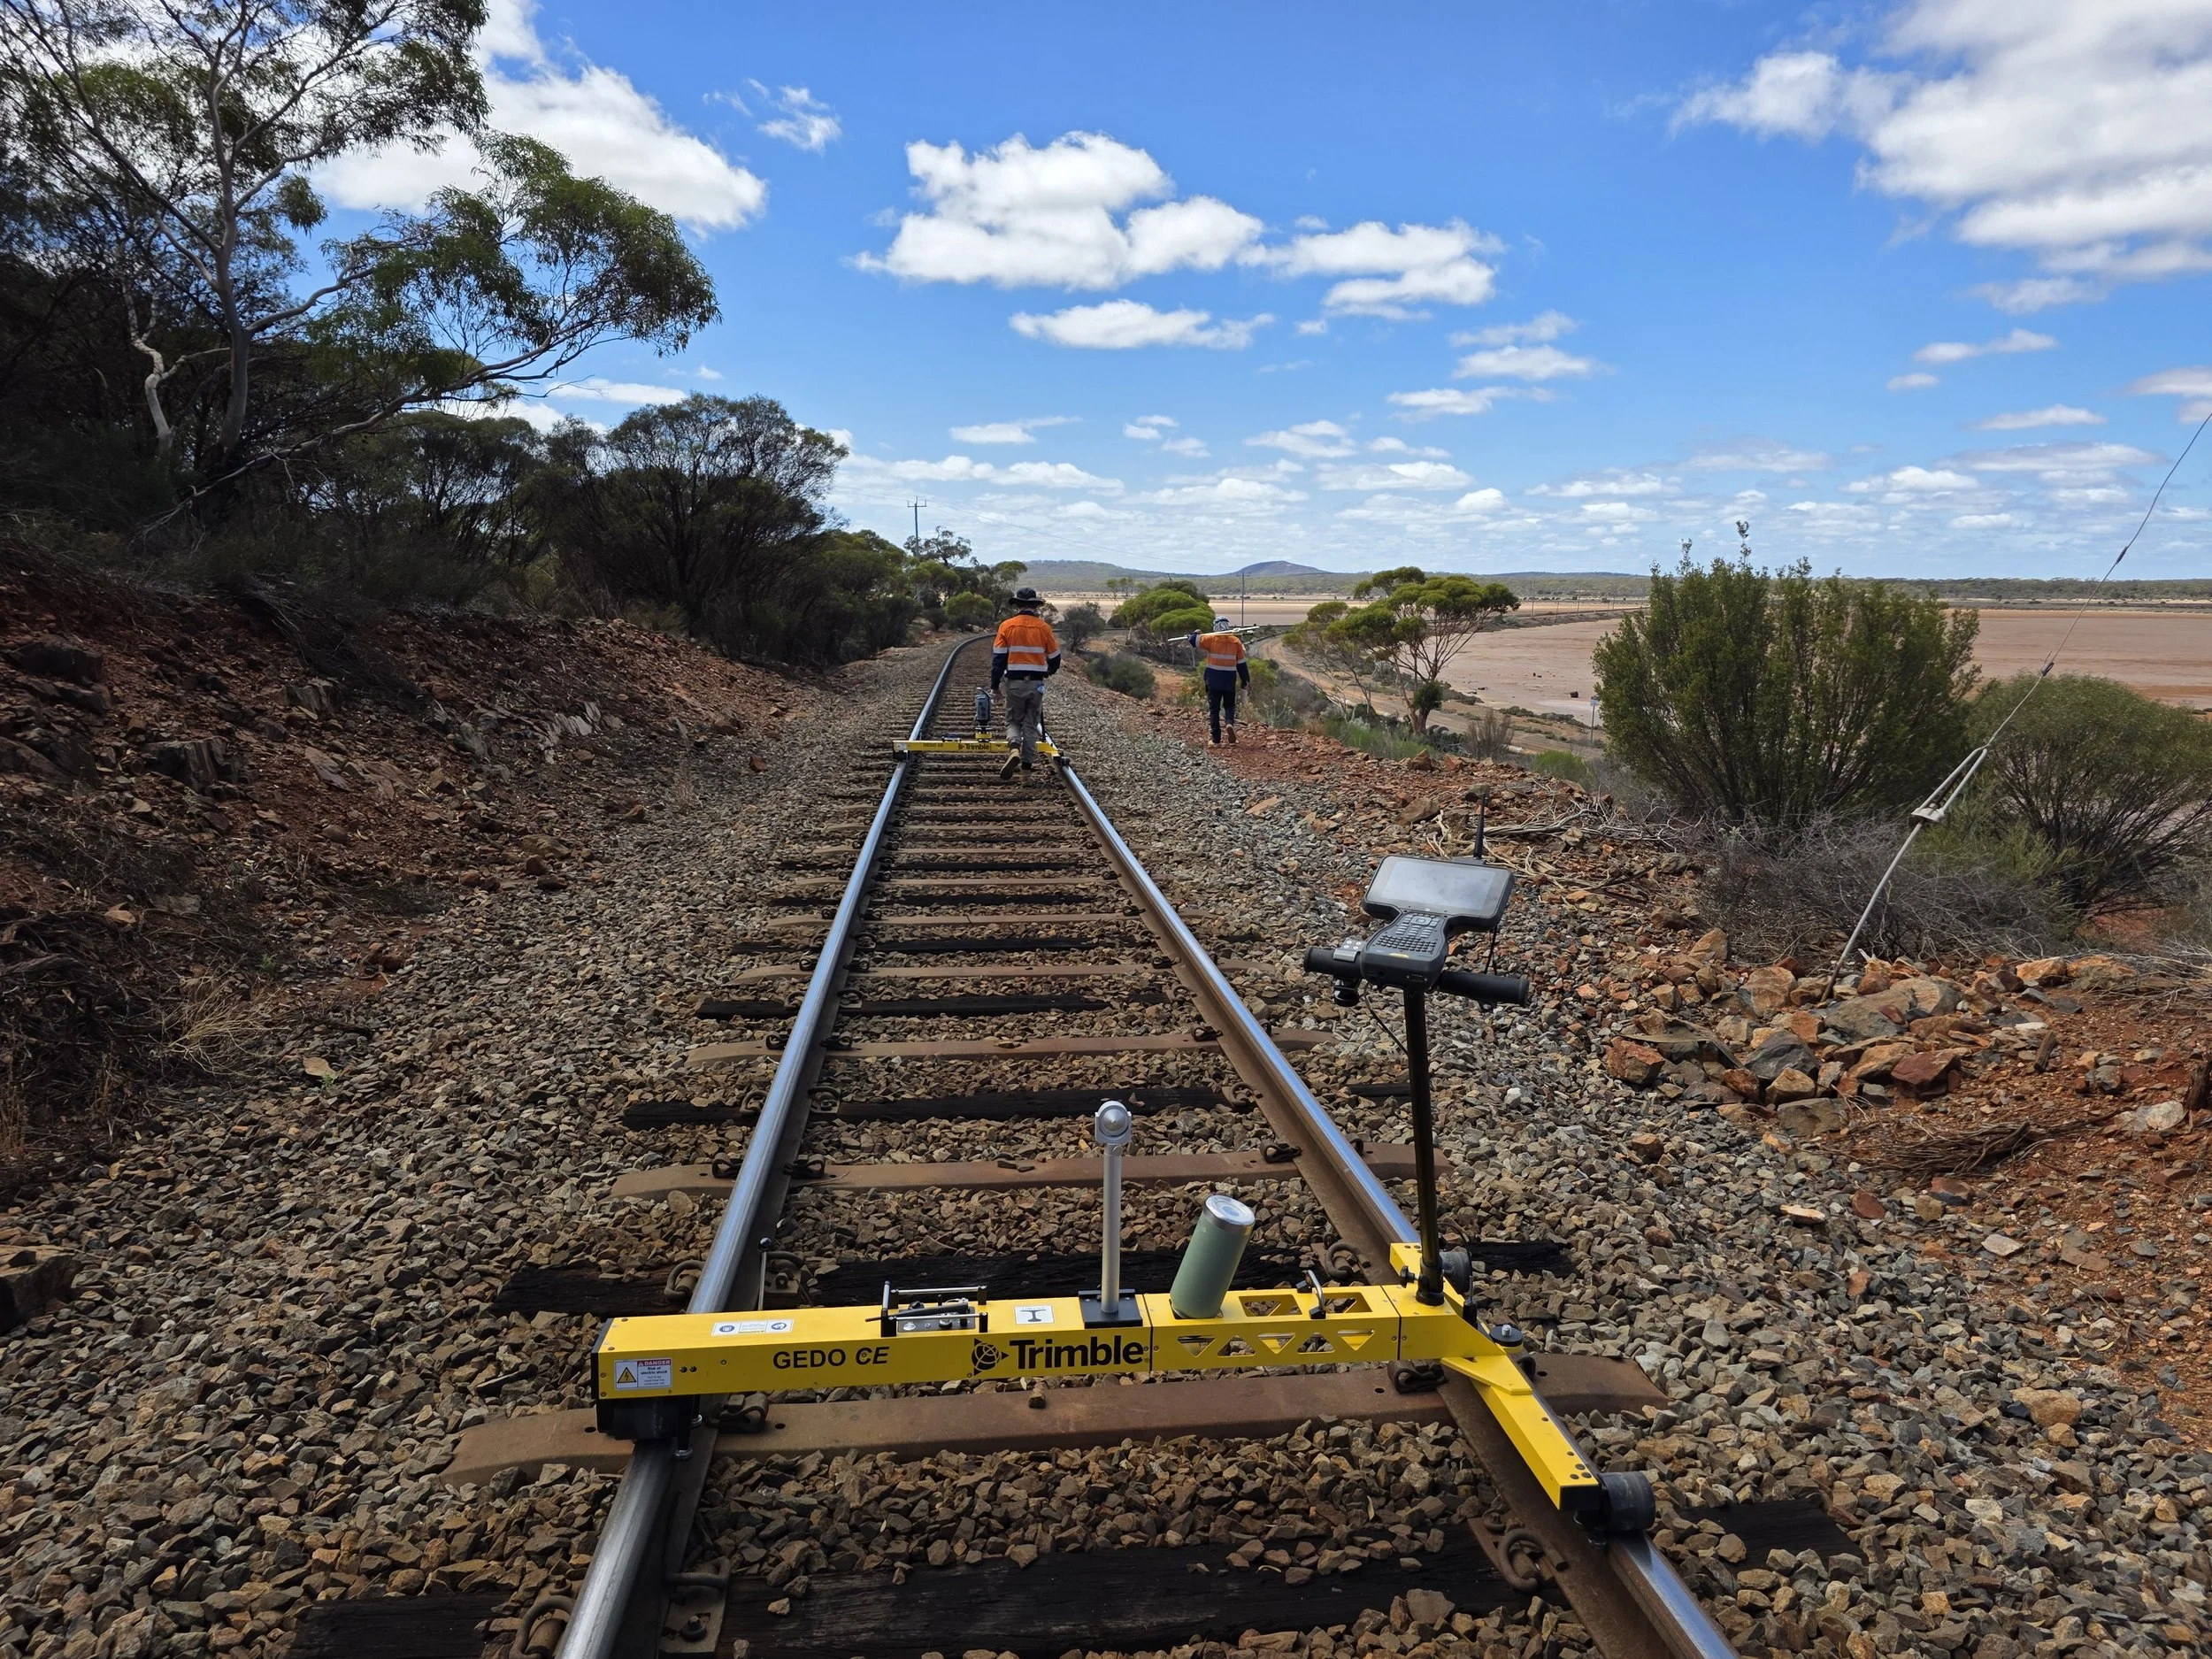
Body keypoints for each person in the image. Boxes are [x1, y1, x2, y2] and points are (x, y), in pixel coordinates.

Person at [990, 588, 1061, 779]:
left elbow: (998, 660)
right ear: (1035, 606)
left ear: (1018, 605)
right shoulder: (1044, 628)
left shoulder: (1007, 626)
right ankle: (1026, 774)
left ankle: (1014, 748)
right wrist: (1048, 671)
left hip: (1014, 683)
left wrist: (995, 685)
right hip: (1036, 684)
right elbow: (1055, 658)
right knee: (1031, 724)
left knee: (1013, 720)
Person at [1187, 616, 1249, 745]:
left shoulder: (1211, 639)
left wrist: (1196, 633)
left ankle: (1216, 740)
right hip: (1229, 680)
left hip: (1213, 680)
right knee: (1229, 705)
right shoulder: (1235, 641)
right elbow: (1242, 664)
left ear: (1216, 627)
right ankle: (1229, 723)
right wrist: (1245, 680)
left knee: (1214, 709)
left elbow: (1193, 641)